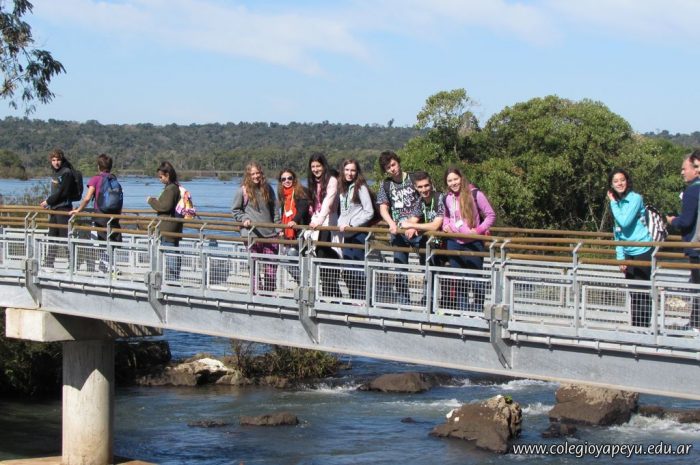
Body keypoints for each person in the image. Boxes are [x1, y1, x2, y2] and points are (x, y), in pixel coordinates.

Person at [442, 167, 496, 312]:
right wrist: (445, 226)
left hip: (473, 243)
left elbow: (490, 215)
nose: (453, 183)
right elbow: (446, 215)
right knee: (459, 280)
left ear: (461, 178)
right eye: (449, 181)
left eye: (455, 179)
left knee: (476, 279)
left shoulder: (475, 194)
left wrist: (477, 231)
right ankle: (463, 311)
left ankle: (478, 311)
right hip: (453, 242)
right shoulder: (447, 198)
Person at [607, 168, 653, 327]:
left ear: (627, 181)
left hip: (642, 250)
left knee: (642, 291)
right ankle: (636, 328)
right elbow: (618, 232)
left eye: (622, 180)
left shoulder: (635, 199)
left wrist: (613, 203)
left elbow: (625, 222)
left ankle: (645, 329)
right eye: (615, 181)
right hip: (628, 252)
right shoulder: (618, 203)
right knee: (633, 292)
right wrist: (620, 258)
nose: (619, 183)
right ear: (611, 185)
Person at [376, 150, 421, 305]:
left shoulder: (414, 178)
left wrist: (413, 224)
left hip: (418, 230)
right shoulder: (386, 185)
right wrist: (391, 223)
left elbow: (425, 202)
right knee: (400, 269)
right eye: (388, 167)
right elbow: (383, 208)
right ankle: (404, 303)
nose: (392, 169)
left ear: (398, 162)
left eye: (393, 164)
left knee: (427, 265)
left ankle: (429, 301)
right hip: (398, 232)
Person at [231, 162, 280, 292]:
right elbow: (235, 210)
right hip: (251, 235)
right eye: (252, 174)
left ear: (261, 173)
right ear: (248, 175)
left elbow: (275, 210)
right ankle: (256, 294)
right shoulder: (242, 191)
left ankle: (268, 294)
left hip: (269, 234)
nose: (256, 176)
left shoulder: (268, 188)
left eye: (258, 173)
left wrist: (278, 228)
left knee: (271, 268)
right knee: (254, 267)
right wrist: (244, 219)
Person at [667, 153, 700, 330]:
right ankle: (695, 323)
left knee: (697, 286)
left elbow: (686, 221)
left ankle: (696, 326)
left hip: (696, 247)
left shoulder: (692, 190)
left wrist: (672, 220)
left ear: (695, 169)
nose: (682, 172)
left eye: (684, 168)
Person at [334, 159, 375, 300]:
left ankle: (363, 299)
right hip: (345, 234)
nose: (349, 173)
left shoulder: (360, 187)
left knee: (358, 268)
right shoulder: (342, 187)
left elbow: (369, 212)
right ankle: (354, 299)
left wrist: (352, 224)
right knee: (348, 268)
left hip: (358, 233)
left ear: (357, 172)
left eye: (353, 170)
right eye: (347, 170)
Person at [307, 152, 341, 298]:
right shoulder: (314, 183)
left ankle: (333, 296)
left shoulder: (331, 180)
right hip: (317, 224)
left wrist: (318, 221)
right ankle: (329, 295)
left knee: (326, 256)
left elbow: (328, 202)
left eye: (318, 166)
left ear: (324, 166)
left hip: (328, 223)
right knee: (320, 257)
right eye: (313, 167)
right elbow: (315, 204)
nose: (316, 169)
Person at [40, 148, 76, 268]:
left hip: (63, 209)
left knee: (64, 237)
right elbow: (55, 192)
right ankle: (49, 263)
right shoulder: (55, 173)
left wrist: (48, 201)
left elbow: (62, 193)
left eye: (58, 160)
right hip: (54, 209)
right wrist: (50, 204)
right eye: (54, 160)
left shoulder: (66, 173)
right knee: (52, 236)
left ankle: (72, 264)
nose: (56, 162)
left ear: (62, 160)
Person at [147, 161, 183, 281]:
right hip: (173, 226)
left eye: (161, 177)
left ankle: (172, 279)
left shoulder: (171, 189)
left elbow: (164, 207)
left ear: (167, 175)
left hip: (167, 228)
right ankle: (173, 278)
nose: (160, 179)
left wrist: (151, 201)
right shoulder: (175, 187)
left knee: (170, 253)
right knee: (173, 252)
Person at [401, 171, 445, 266]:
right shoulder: (420, 201)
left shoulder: (440, 198)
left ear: (431, 184)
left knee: (440, 271)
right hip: (429, 242)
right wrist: (411, 226)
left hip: (443, 242)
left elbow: (435, 226)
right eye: (420, 187)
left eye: (426, 185)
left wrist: (413, 226)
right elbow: (412, 219)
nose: (424, 189)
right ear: (415, 187)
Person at [277, 168, 310, 282]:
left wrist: (295, 220)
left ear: (294, 179)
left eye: (289, 178)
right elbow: (283, 213)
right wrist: (282, 229)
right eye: (283, 179)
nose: (287, 181)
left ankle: (304, 282)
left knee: (291, 255)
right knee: (284, 259)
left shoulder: (301, 191)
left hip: (299, 231)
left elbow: (303, 208)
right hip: (287, 233)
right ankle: (302, 281)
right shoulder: (283, 195)